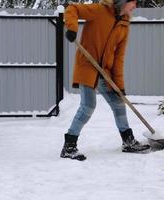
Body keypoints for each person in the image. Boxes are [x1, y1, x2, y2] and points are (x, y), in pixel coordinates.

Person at [61, 0, 150, 161]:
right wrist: (72, 28)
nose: (135, 7)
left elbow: (119, 58)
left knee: (118, 103)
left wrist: (119, 87)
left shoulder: (124, 24)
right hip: (88, 66)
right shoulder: (99, 10)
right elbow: (72, 9)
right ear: (123, 2)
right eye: (133, 3)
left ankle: (128, 141)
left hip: (105, 71)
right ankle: (69, 146)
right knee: (88, 105)